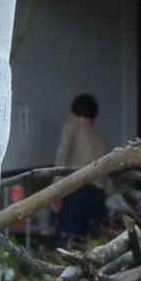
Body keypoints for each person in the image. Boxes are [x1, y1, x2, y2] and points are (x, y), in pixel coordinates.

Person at [55, 91, 113, 242]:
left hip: (76, 193)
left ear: (72, 112)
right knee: (94, 242)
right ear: (94, 117)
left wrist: (56, 192)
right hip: (98, 195)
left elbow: (62, 158)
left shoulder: (71, 126)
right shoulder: (101, 139)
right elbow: (109, 176)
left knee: (68, 242)